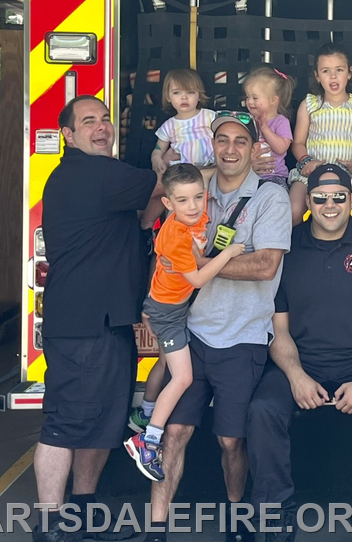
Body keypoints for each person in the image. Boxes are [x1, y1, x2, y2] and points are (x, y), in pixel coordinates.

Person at [147, 111, 292, 542]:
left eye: (240, 141)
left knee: (232, 441)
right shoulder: (196, 189)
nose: (231, 148)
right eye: (222, 140)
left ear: (254, 147)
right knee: (173, 432)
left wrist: (203, 264)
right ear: (212, 146)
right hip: (192, 332)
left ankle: (234, 519)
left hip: (242, 338)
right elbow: (166, 239)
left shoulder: (271, 197)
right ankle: (156, 530)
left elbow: (266, 266)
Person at [247, 164, 352, 542]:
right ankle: (277, 517)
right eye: (320, 198)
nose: (330, 205)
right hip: (301, 361)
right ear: (308, 202)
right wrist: (296, 376)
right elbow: (278, 328)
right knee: (262, 410)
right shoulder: (285, 248)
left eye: (339, 197)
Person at [33, 95, 160, 542]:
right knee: (67, 423)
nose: (101, 126)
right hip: (83, 325)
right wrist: (170, 160)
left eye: (105, 119)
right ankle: (50, 525)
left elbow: (145, 215)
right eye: (89, 121)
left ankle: (81, 515)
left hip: (106, 323)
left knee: (102, 423)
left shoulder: (100, 175)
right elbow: (166, 183)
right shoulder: (93, 173)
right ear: (67, 135)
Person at [124, 164, 246, 482]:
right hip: (169, 314)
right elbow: (199, 277)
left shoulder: (192, 215)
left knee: (169, 370)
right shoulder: (176, 236)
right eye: (182, 200)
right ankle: (147, 441)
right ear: (168, 204)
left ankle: (147, 421)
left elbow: (203, 176)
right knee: (182, 379)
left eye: (197, 198)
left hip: (171, 307)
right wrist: (229, 253)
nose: (192, 206)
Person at [287, 43, 352, 226]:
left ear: (349, 73)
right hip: (311, 172)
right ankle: (294, 252)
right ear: (317, 76)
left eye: (339, 70)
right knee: (293, 210)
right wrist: (305, 162)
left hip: (350, 173)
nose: (333, 76)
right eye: (326, 71)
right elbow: (297, 142)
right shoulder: (310, 104)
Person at [142, 68, 216, 229]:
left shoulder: (209, 116)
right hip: (181, 171)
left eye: (190, 92)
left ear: (199, 95)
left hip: (209, 168)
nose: (184, 97)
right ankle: (148, 225)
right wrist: (156, 159)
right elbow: (158, 148)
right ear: (168, 97)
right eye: (176, 93)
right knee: (167, 196)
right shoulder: (170, 125)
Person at [244, 67, 295, 188]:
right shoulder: (248, 120)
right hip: (249, 174)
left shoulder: (281, 121)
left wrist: (265, 129)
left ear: (273, 100)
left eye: (255, 98)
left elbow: (281, 148)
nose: (249, 102)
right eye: (247, 97)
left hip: (275, 176)